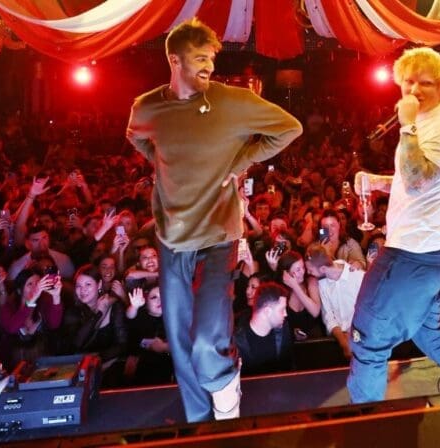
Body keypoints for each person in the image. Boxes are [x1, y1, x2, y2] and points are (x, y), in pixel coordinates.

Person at [125, 18, 302, 422]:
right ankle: (197, 421)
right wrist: (160, 161)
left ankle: (226, 383)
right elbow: (135, 135)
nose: (208, 65)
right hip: (171, 242)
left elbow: (289, 128)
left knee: (207, 339)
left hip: (218, 238)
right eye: (200, 58)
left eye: (211, 58)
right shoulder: (147, 106)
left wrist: (239, 162)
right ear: (174, 59)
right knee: (181, 342)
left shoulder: (232, 101)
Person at [347, 47, 440, 404]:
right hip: (426, 254)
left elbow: (416, 179)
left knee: (368, 337)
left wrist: (407, 123)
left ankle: (363, 425)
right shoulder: (426, 122)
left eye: (425, 83)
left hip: (409, 256)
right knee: (429, 335)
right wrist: (379, 181)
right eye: (408, 82)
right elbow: (419, 180)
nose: (414, 90)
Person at [304, 243, 364, 359]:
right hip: (335, 341)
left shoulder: (358, 277)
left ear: (323, 269)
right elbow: (328, 317)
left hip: (361, 339)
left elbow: (366, 312)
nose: (308, 273)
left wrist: (351, 335)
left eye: (310, 269)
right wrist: (343, 342)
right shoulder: (321, 284)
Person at [233, 282, 293, 376]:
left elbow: (288, 367)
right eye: (282, 310)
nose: (286, 314)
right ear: (267, 311)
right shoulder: (237, 340)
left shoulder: (283, 329)